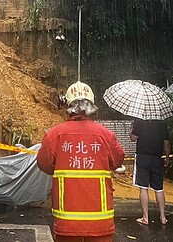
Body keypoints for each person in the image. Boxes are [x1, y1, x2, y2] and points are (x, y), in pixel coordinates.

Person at [37, 81, 125, 242]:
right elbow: (117, 160)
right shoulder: (105, 136)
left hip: (67, 223)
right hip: (100, 222)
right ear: (92, 106)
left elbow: (44, 164)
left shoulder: (55, 135)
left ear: (68, 106)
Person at [130, 119, 171, 225]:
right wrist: (167, 158)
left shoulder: (140, 121)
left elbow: (133, 138)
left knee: (143, 188)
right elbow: (166, 143)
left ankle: (145, 218)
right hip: (157, 159)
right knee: (159, 189)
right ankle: (163, 217)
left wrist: (132, 129)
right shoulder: (162, 123)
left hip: (142, 158)